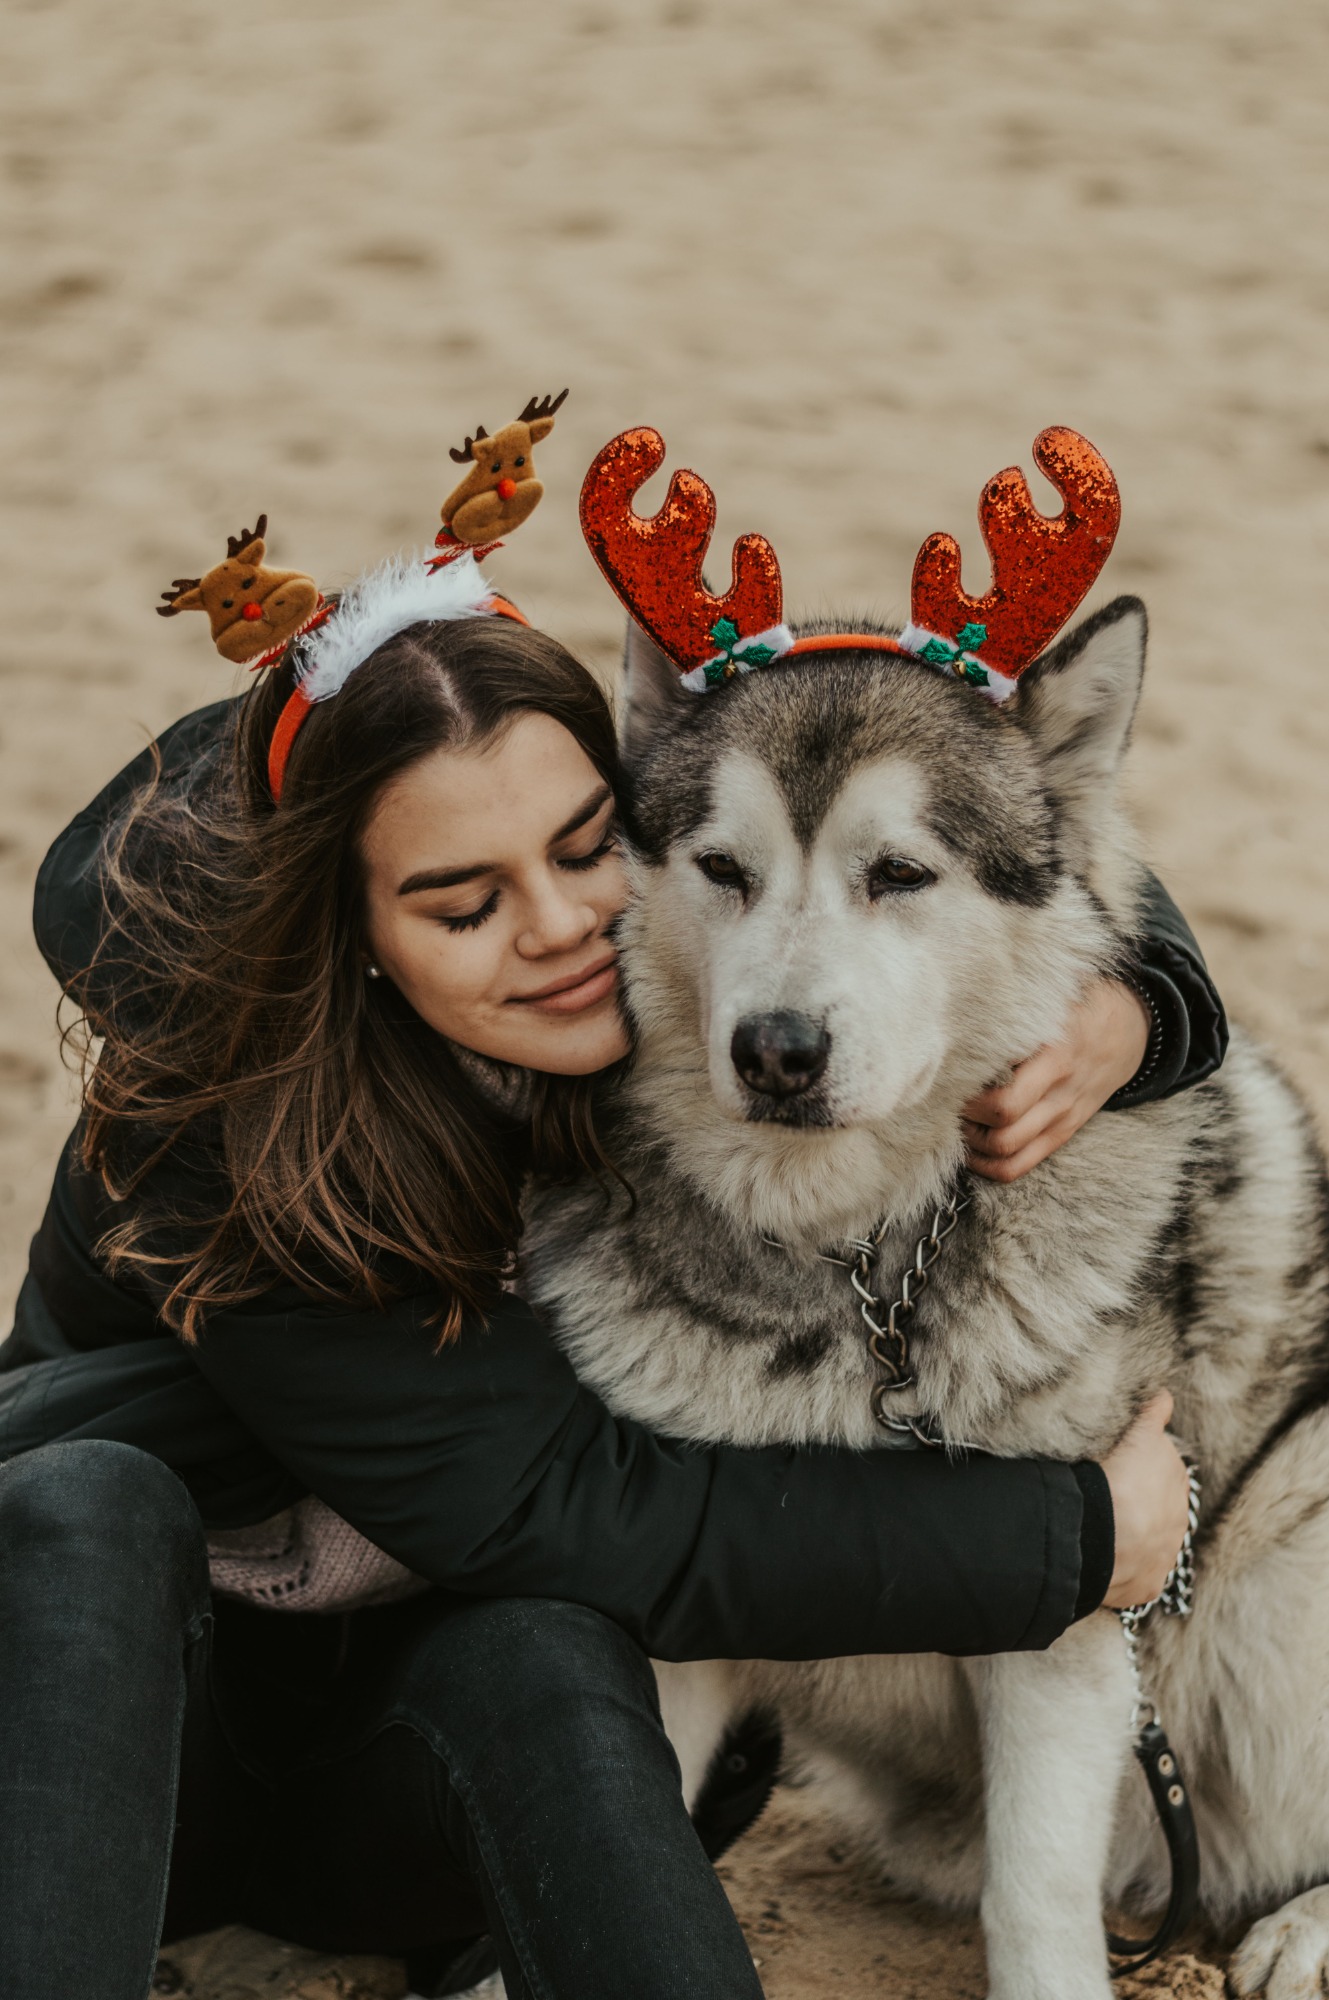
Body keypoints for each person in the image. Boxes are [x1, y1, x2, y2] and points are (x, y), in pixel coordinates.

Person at [0, 508, 1220, 1999]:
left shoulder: (653, 979)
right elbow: (562, 1505)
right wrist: (1075, 1540)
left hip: (398, 1787)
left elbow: (976, 833)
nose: (565, 929)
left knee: (543, 1649)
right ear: (348, 930)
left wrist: (1143, 1009)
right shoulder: (227, 1140)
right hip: (100, 1739)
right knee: (89, 1500)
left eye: (589, 847)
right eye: (462, 904)